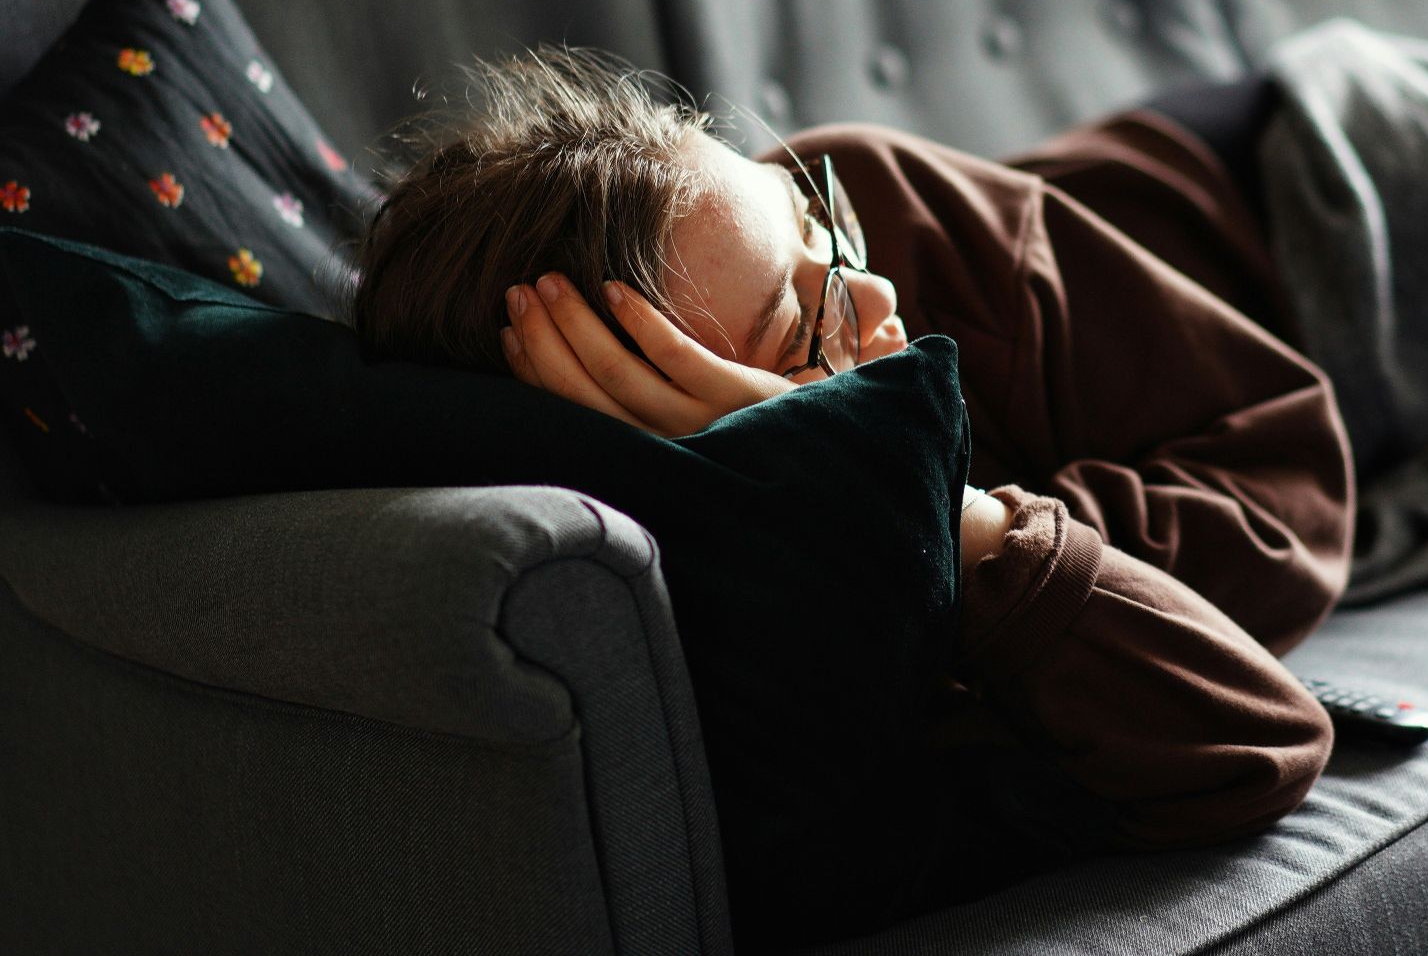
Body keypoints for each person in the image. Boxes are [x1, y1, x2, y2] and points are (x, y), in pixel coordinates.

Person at [353, 48, 1355, 871]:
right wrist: (912, 496)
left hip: (1303, 173)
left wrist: (972, 515)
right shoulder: (773, 604)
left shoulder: (883, 198)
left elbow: (1292, 488)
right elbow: (1254, 737)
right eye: (801, 327)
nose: (872, 296)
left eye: (813, 223)